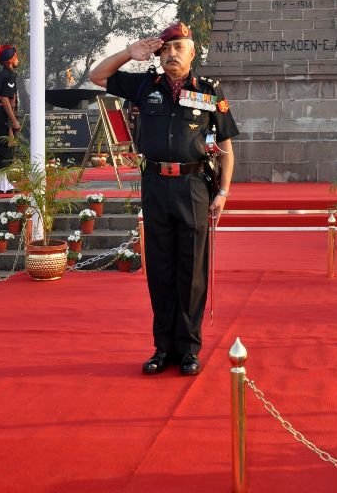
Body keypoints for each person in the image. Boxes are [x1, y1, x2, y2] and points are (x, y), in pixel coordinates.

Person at [89, 23, 239, 376]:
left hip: (193, 188)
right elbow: (97, 75)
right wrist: (129, 52)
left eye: (179, 48)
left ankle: (188, 349)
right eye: (165, 49)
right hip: (156, 184)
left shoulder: (208, 92)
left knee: (191, 270)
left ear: (192, 52)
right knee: (160, 268)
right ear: (158, 54)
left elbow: (228, 149)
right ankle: (162, 348)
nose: (172, 54)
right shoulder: (146, 86)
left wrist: (224, 192)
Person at [0, 44, 21, 194]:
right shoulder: (8, 75)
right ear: (9, 60)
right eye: (15, 57)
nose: (18, 59)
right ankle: (3, 185)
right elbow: (4, 98)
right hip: (4, 113)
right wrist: (13, 120)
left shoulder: (0, 75)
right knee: (6, 147)